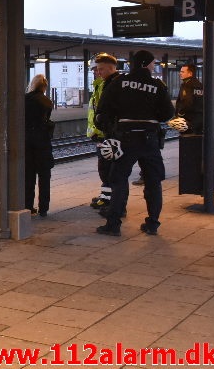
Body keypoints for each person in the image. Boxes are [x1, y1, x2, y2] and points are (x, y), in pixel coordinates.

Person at [94, 50, 174, 236]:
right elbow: (168, 113)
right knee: (153, 181)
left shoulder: (119, 83)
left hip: (125, 138)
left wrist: (111, 129)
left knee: (119, 179)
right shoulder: (157, 85)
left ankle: (113, 224)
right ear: (146, 64)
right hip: (149, 139)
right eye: (153, 63)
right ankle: (152, 224)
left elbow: (103, 111)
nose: (155, 67)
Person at [85, 53, 120, 212]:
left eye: (100, 69)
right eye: (96, 69)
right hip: (100, 132)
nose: (97, 72)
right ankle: (106, 196)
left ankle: (108, 199)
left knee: (106, 168)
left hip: (105, 134)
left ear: (112, 68)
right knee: (104, 167)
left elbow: (104, 112)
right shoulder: (101, 84)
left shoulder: (111, 85)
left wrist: (101, 130)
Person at [24, 74, 53, 217]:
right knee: (44, 176)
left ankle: (28, 206)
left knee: (28, 177)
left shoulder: (25, 99)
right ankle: (44, 208)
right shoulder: (48, 101)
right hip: (43, 142)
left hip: (28, 143)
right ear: (44, 87)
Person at [174, 63, 203, 134]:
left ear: (190, 73)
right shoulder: (200, 85)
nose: (180, 73)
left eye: (182, 72)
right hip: (199, 120)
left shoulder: (186, 85)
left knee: (186, 142)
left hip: (187, 120)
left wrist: (179, 114)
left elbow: (187, 102)